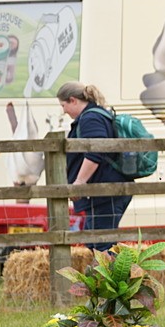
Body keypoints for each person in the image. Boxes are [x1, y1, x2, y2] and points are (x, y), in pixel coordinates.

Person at [57, 81, 133, 252]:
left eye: (63, 105)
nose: (63, 111)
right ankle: (100, 278)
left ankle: (113, 278)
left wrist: (79, 182)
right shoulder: (96, 115)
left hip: (105, 193)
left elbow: (96, 151)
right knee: (94, 244)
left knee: (102, 245)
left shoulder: (90, 118)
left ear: (73, 100)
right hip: (105, 192)